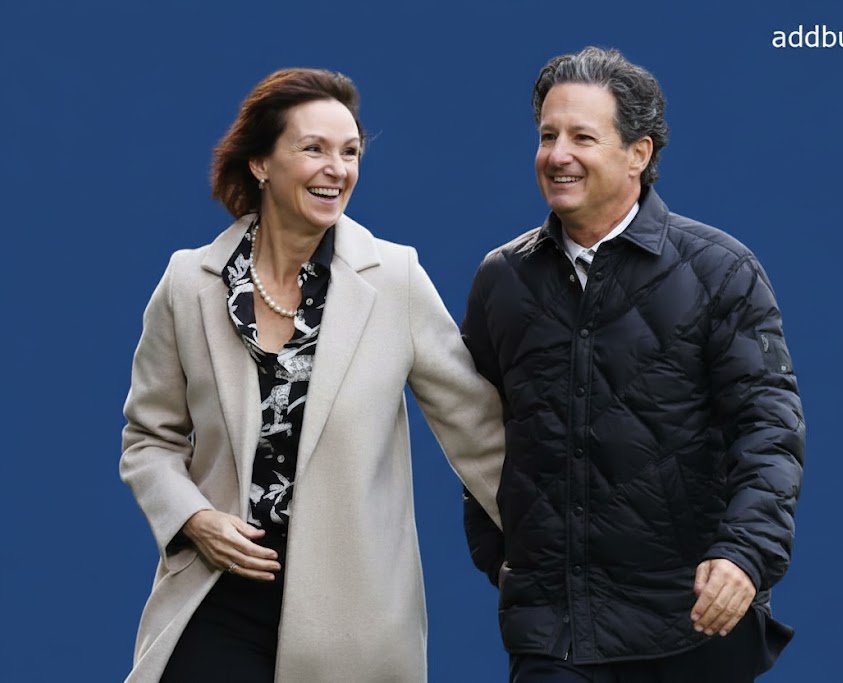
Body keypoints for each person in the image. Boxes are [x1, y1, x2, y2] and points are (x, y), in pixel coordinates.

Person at [120, 68, 505, 682]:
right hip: (217, 592)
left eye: (350, 152)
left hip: (352, 617)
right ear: (261, 164)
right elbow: (149, 440)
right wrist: (194, 519)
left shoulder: (395, 280)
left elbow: (481, 436)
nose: (337, 169)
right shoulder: (189, 283)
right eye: (314, 149)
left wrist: (568, 557)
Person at [461, 47, 804, 682]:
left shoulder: (721, 270)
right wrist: (505, 561)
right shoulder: (501, 279)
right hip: (553, 634)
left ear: (638, 154)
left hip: (691, 628)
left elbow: (769, 432)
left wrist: (745, 554)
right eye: (547, 136)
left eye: (582, 137)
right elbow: (478, 433)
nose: (557, 154)